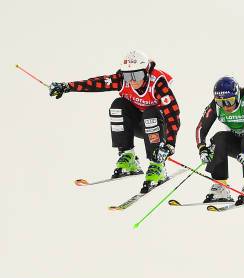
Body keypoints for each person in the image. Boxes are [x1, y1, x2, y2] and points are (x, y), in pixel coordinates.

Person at [48, 50, 180, 193]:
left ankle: (157, 165)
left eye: (137, 75)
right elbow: (96, 83)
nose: (133, 80)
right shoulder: (123, 80)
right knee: (118, 105)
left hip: (158, 127)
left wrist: (169, 146)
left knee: (150, 112)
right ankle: (128, 157)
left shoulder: (158, 83)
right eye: (128, 76)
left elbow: (172, 115)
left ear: (147, 71)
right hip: (137, 125)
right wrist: (67, 87)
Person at [195, 76, 244, 204]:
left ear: (236, 96)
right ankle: (221, 186)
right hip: (239, 141)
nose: (225, 106)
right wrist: (202, 148)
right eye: (220, 102)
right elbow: (201, 127)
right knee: (219, 138)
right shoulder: (216, 105)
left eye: (229, 101)